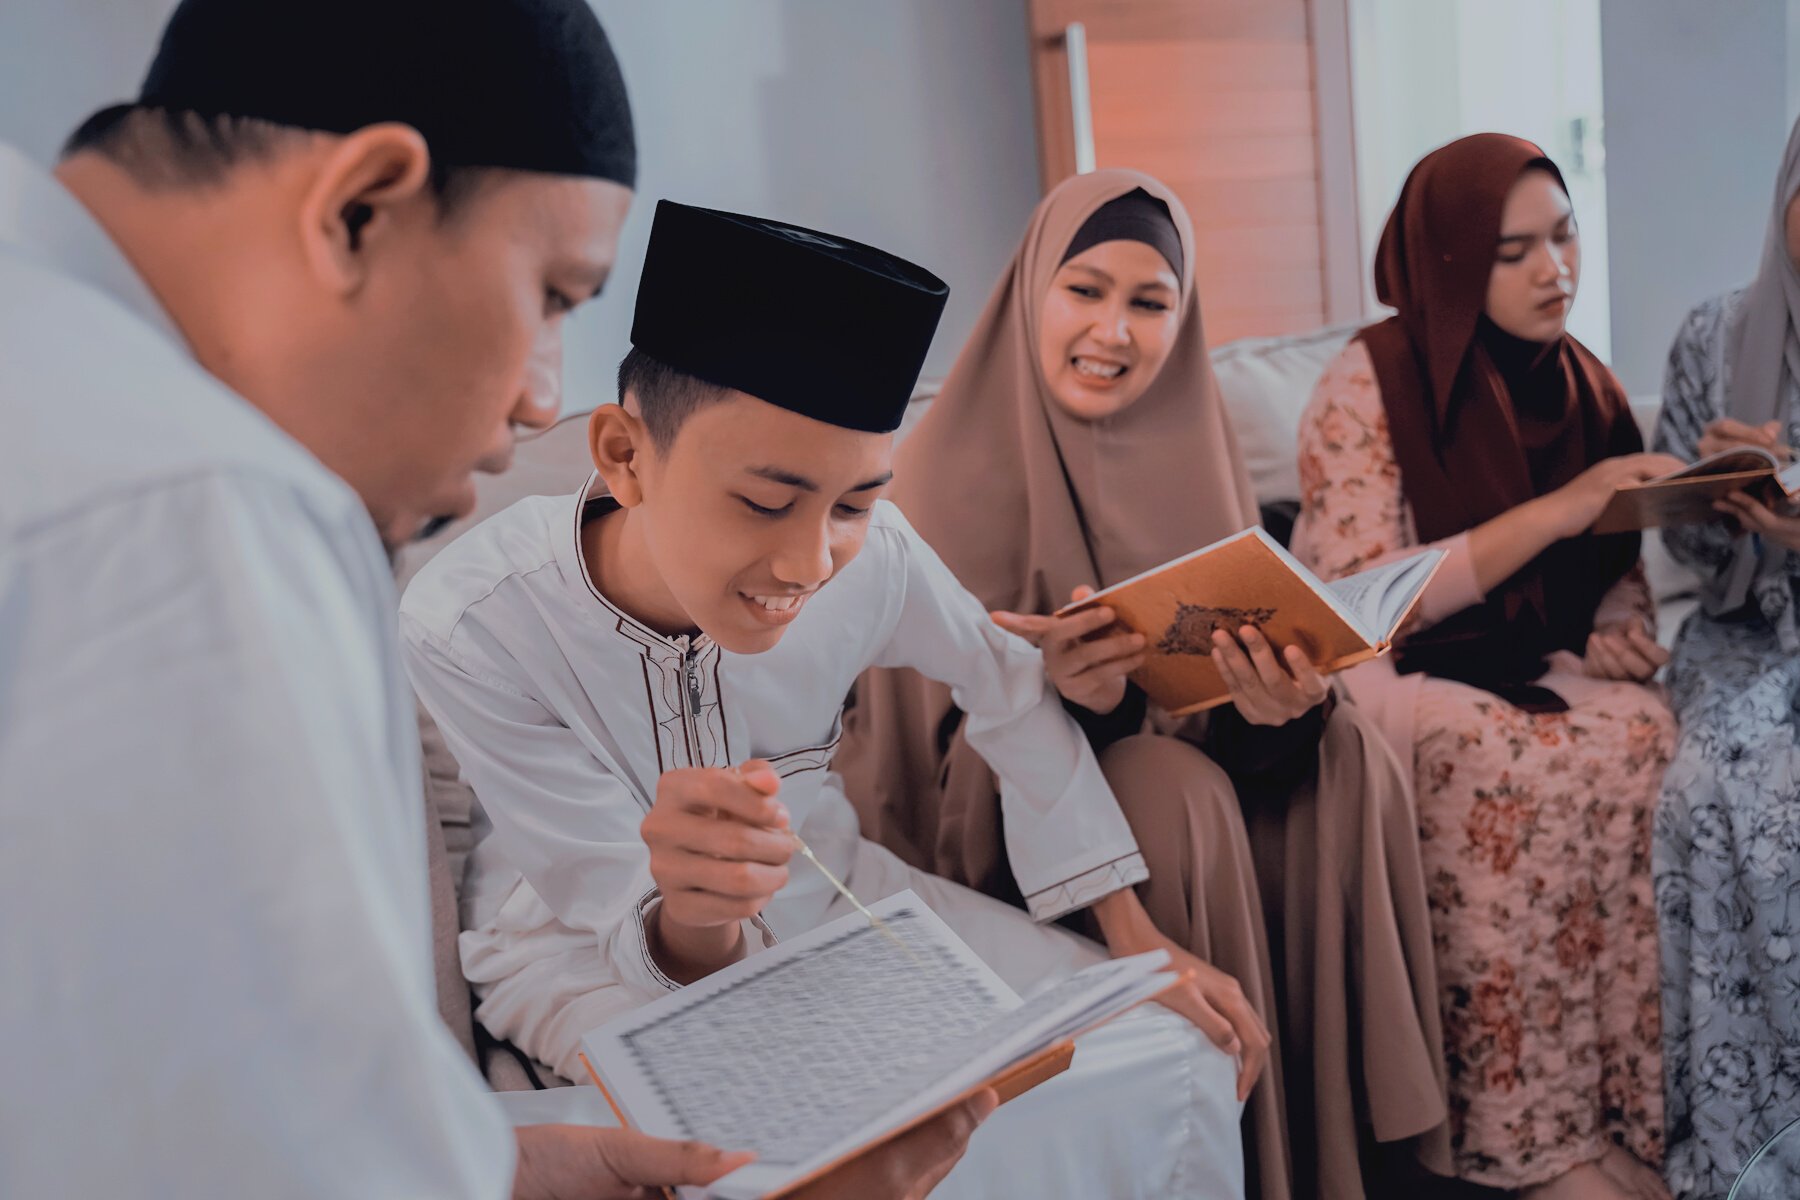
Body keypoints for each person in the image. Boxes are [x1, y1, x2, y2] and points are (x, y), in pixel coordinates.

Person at [0, 1, 988, 1195]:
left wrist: (496, 1171)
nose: (537, 401)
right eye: (554, 294)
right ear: (358, 208)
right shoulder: (201, 511)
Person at [400, 198, 1247, 1199]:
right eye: (765, 501)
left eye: (853, 502)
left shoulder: (875, 557)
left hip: (842, 894)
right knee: (786, 1159)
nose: (810, 560)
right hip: (581, 947)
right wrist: (697, 905)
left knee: (1171, 1039)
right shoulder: (470, 619)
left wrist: (1135, 939)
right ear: (625, 455)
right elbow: (624, 914)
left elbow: (1006, 683)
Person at [833, 168, 1450, 1200]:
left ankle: (1348, 1159)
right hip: (987, 820)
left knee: (1345, 752)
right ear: (1031, 291)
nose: (1113, 331)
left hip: (1171, 792)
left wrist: (1276, 712)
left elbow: (1221, 699)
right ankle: (1216, 1160)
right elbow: (914, 750)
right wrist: (1064, 692)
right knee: (1163, 788)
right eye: (1085, 290)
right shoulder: (932, 478)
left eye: (1149, 302)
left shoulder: (1197, 457)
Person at [1289, 133, 1682, 1199]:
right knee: (1494, 762)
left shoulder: (1584, 383)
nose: (1555, 271)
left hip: (1531, 658)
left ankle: (1623, 1117)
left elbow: (1612, 567)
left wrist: (1613, 625)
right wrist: (1556, 510)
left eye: (1563, 237)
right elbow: (1355, 601)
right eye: (1515, 251)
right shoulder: (1365, 382)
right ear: (1453, 262)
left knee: (1646, 732)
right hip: (1391, 666)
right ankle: (1524, 1140)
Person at [1651, 114, 1800, 1200]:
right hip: (1747, 636)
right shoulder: (1714, 337)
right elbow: (1687, 546)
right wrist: (1724, 499)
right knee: (1705, 790)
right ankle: (1743, 1145)